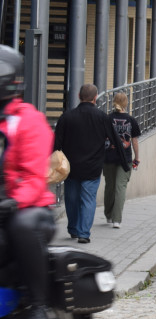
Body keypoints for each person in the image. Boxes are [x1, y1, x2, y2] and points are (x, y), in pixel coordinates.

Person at [0, 46, 58, 319]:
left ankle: (38, 306)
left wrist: (13, 201)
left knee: (21, 226)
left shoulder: (28, 120)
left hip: (30, 208)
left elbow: (35, 175)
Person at [54, 84, 124, 244]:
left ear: (79, 96)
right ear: (95, 98)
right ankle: (84, 233)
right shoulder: (102, 117)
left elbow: (57, 143)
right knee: (88, 199)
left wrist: (52, 162)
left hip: (71, 167)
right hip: (92, 167)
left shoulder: (67, 116)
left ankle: (73, 229)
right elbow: (116, 141)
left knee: (71, 198)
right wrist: (124, 161)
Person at [103, 92, 141, 228]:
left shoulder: (107, 119)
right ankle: (116, 220)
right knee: (121, 187)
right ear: (126, 103)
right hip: (124, 158)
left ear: (114, 102)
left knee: (109, 187)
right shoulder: (131, 120)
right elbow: (135, 141)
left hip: (108, 157)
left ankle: (108, 215)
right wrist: (137, 158)